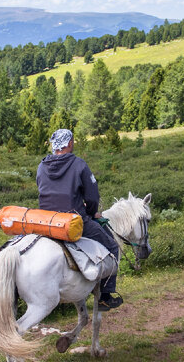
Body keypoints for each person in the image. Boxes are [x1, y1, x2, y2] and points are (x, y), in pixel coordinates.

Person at [36, 128, 124, 311]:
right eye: (73, 141)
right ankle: (105, 296)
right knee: (113, 247)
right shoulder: (79, 164)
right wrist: (91, 213)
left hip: (47, 222)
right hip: (73, 221)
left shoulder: (42, 166)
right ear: (68, 143)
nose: (73, 144)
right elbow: (92, 197)